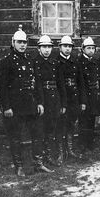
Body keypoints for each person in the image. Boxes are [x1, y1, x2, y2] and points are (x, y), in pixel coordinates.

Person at [0, 27, 52, 176]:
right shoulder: (5, 63)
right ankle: (19, 166)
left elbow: (37, 84)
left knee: (37, 135)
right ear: (13, 42)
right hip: (15, 108)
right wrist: (6, 107)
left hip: (31, 105)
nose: (22, 45)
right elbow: (1, 88)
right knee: (16, 138)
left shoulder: (30, 61)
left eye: (24, 42)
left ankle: (38, 164)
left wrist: (40, 103)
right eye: (19, 42)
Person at [34, 35, 67, 166]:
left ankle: (51, 155)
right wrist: (39, 103)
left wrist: (63, 103)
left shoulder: (55, 63)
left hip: (55, 99)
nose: (47, 50)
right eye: (44, 47)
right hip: (43, 100)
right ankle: (42, 158)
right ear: (39, 48)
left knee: (52, 128)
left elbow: (61, 84)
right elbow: (36, 85)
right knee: (42, 128)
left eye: (49, 47)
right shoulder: (35, 63)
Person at [57, 35, 87, 159]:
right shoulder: (56, 62)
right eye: (65, 46)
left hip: (74, 99)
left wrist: (82, 101)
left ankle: (70, 150)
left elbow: (81, 83)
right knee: (60, 125)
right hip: (62, 100)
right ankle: (60, 152)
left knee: (71, 124)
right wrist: (61, 103)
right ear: (60, 47)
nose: (67, 49)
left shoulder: (75, 62)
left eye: (69, 46)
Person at [78, 37, 100, 153]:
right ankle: (83, 144)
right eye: (88, 48)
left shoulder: (95, 62)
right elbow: (80, 83)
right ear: (83, 49)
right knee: (84, 120)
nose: (90, 50)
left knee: (92, 119)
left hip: (94, 95)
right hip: (84, 95)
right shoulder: (79, 62)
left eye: (92, 48)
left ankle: (90, 143)